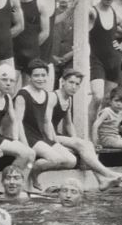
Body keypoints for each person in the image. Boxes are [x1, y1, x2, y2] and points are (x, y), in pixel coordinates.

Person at [50, 68, 122, 187]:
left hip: (56, 135)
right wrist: (74, 143)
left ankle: (101, 180)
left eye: (77, 84)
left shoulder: (68, 99)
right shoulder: (53, 97)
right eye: (71, 82)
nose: (74, 86)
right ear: (62, 82)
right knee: (84, 145)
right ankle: (109, 174)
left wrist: (75, 140)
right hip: (47, 135)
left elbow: (68, 123)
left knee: (86, 144)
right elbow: (45, 123)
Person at [13, 61, 80, 190]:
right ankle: (31, 173)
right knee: (55, 159)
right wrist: (25, 145)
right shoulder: (23, 95)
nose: (40, 79)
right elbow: (18, 122)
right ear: (30, 77)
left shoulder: (46, 94)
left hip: (41, 135)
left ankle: (35, 170)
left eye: (43, 75)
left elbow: (46, 122)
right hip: (28, 135)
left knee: (72, 161)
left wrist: (55, 142)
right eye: (36, 75)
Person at [85, 0, 122, 106]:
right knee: (97, 97)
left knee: (106, 102)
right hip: (97, 60)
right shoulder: (93, 12)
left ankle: (100, 126)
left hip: (113, 62)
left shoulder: (115, 14)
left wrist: (121, 45)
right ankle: (88, 126)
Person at [10, 0, 50, 77]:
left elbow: (45, 32)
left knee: (28, 91)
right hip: (12, 53)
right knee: (9, 88)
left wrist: (31, 45)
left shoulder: (40, 4)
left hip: (31, 54)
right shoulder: (10, 2)